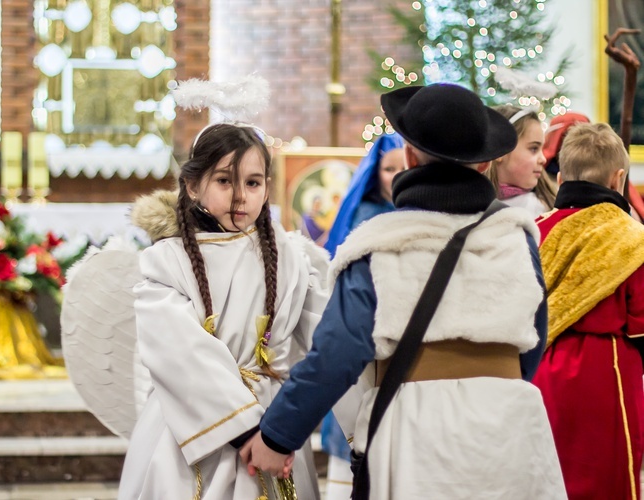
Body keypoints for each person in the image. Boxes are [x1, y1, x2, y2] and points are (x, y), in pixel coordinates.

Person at [240, 83, 566, 499]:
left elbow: (337, 353)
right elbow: (533, 341)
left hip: (418, 426)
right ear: (486, 165)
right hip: (513, 425)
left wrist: (277, 437)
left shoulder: (376, 245)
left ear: (410, 157)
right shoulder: (518, 238)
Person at [117, 123, 329, 500]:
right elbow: (179, 352)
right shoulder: (167, 262)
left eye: (253, 183)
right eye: (224, 181)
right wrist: (249, 432)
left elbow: (328, 338)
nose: (240, 197)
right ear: (193, 185)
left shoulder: (292, 257)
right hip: (192, 430)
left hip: (276, 427)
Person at [532, 122, 644, 500]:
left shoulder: (534, 230)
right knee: (605, 474)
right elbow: (640, 323)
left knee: (545, 471)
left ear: (561, 177)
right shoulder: (631, 238)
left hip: (537, 365)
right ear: (618, 179)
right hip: (606, 370)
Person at [318, 132, 405, 500]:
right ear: (375, 175)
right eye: (389, 169)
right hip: (366, 348)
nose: (398, 176)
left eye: (404, 167)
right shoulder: (366, 218)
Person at [485, 105, 557, 217]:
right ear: (501, 151)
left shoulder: (540, 210)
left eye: (541, 149)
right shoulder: (469, 204)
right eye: (533, 149)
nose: (543, 159)